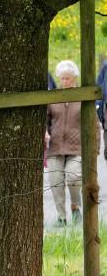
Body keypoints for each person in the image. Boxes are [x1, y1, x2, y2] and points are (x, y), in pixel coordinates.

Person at [47, 60, 91, 226]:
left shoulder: (82, 97)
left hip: (76, 147)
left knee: (73, 177)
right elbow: (45, 119)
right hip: (55, 147)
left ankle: (75, 206)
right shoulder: (53, 97)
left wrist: (94, 150)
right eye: (62, 78)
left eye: (68, 78)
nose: (64, 81)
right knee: (55, 181)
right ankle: (61, 216)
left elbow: (93, 124)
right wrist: (45, 132)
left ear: (75, 78)